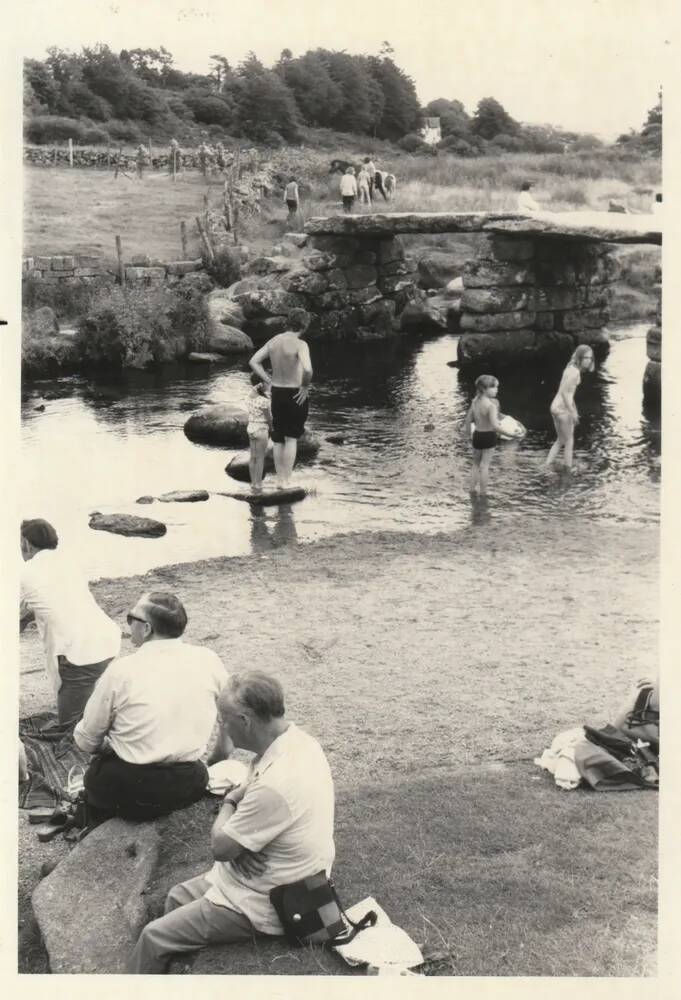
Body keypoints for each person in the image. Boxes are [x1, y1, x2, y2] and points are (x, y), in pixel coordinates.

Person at [128, 670, 336, 974]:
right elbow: (250, 805)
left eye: (223, 720)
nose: (221, 727)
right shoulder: (299, 742)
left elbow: (221, 848)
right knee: (174, 897)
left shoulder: (276, 784)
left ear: (245, 721)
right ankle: (176, 971)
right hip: (278, 872)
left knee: (152, 937)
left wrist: (228, 802)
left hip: (271, 900)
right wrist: (242, 833)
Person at [74, 591, 228, 821]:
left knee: (97, 776)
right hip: (188, 784)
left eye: (130, 619)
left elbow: (86, 740)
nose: (128, 625)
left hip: (130, 787)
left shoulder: (122, 671)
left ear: (146, 629)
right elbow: (232, 713)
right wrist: (218, 757)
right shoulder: (208, 659)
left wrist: (107, 748)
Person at [20, 519, 121, 731]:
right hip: (106, 641)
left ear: (27, 544)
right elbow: (52, 602)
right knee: (87, 708)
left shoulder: (27, 572)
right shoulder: (68, 562)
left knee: (69, 731)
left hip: (79, 655)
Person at [248, 313, 313, 489]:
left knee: (278, 438)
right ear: (304, 326)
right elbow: (307, 369)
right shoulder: (301, 344)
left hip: (277, 392)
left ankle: (278, 481)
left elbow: (254, 361)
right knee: (291, 438)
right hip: (295, 393)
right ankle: (286, 481)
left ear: (288, 323)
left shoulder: (274, 340)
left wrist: (268, 380)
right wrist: (305, 387)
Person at [545, 344, 595, 470]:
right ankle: (568, 470)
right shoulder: (575, 373)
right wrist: (572, 412)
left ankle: (547, 464)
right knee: (569, 441)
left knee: (561, 439)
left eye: (590, 358)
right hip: (562, 409)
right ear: (579, 358)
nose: (589, 361)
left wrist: (574, 410)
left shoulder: (570, 368)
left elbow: (568, 393)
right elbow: (564, 393)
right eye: (586, 358)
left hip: (554, 406)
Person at [463, 375, 504, 496]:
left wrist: (468, 436)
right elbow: (495, 426)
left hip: (477, 435)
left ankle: (471, 490)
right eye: (495, 387)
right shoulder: (491, 405)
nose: (497, 389)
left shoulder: (475, 401)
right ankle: (483, 493)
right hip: (489, 436)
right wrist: (510, 433)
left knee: (475, 465)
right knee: (485, 466)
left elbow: (467, 420)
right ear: (485, 389)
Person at [246, 373, 272, 491]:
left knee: (253, 458)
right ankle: (259, 485)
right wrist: (272, 428)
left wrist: (261, 388)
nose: (268, 384)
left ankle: (253, 483)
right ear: (261, 384)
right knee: (260, 458)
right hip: (261, 429)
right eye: (266, 382)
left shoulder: (248, 397)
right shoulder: (264, 401)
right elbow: (268, 418)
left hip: (251, 429)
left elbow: (259, 393)